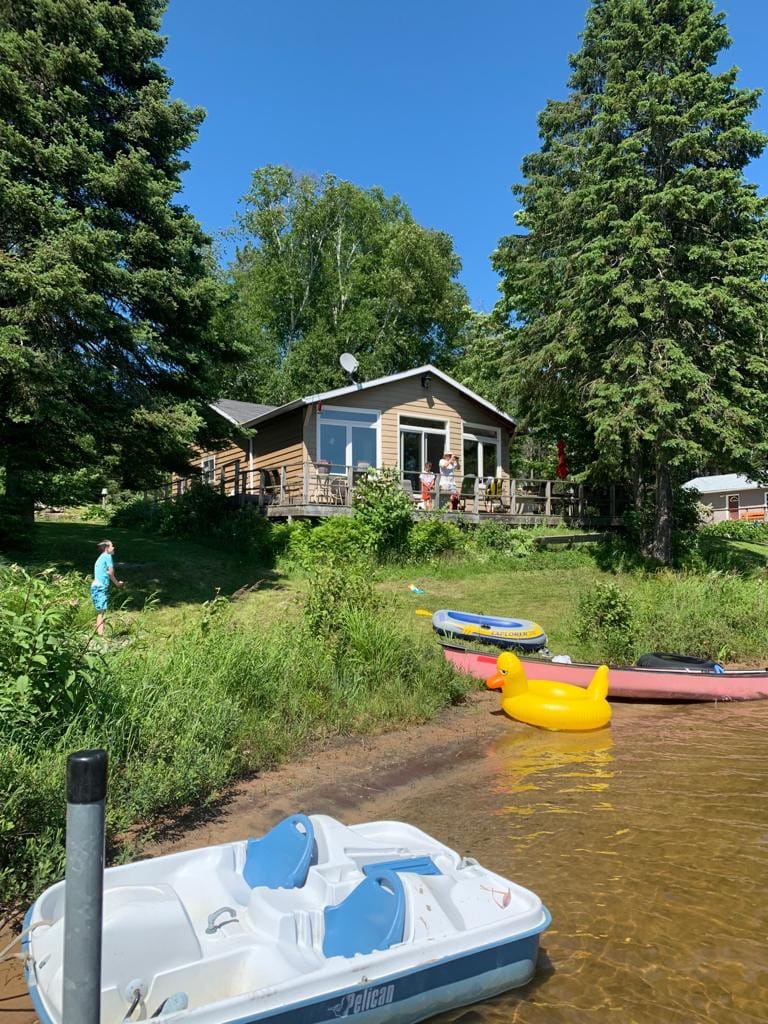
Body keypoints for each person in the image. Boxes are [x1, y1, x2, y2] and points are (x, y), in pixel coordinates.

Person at [91, 539, 123, 636]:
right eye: (111, 546)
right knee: (101, 612)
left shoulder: (101, 557)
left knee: (100, 611)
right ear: (106, 548)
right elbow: (110, 573)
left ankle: (99, 632)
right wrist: (118, 584)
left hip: (95, 586)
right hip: (100, 587)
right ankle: (101, 635)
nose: (113, 548)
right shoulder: (107, 556)